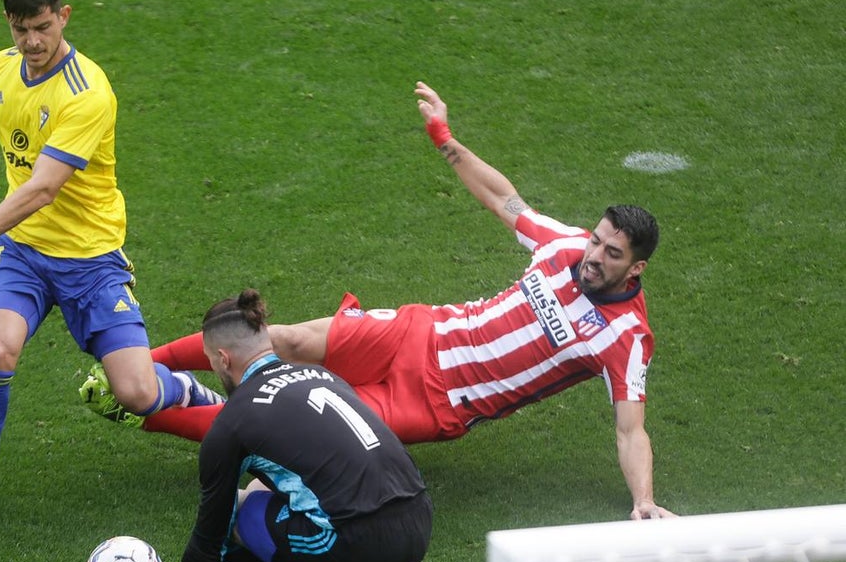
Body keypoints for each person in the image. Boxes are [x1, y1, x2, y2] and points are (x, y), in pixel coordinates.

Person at [86, 81, 675, 521]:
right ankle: (142, 368)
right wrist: (445, 139)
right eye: (596, 240)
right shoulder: (565, 246)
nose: (593, 256)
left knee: (285, 425)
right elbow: (506, 201)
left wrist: (644, 500)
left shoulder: (626, 339)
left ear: (637, 267)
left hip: (435, 403)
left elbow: (631, 431)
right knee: (286, 340)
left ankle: (142, 410)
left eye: (611, 253)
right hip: (420, 333)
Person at [0, 0, 222, 540]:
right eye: (20, 29)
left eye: (42, 26)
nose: (32, 42)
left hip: (91, 259)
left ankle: (186, 387)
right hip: (24, 253)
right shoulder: (6, 66)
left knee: (136, 393)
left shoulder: (87, 93)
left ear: (63, 16)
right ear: (8, 25)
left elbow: (42, 188)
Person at [121, 289, 432, 562]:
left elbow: (210, 535)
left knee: (237, 520)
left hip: (360, 541)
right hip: (418, 520)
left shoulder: (233, 422)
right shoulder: (326, 377)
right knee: (270, 503)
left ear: (222, 359)